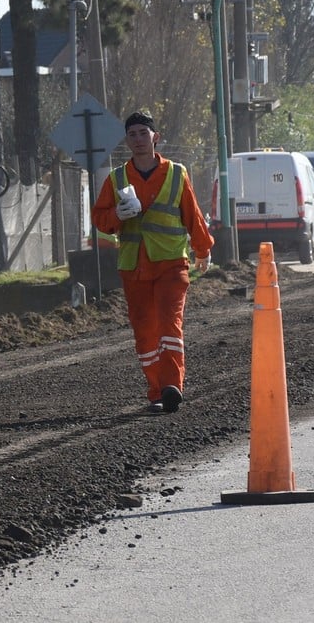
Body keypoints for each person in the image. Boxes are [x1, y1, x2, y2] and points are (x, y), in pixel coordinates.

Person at [92, 112, 213, 414]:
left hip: (172, 263)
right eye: (132, 134)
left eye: (143, 133)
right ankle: (156, 390)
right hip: (134, 266)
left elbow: (192, 214)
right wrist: (118, 216)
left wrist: (203, 249)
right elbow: (100, 220)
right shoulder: (116, 178)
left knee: (169, 323)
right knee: (145, 330)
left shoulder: (176, 173)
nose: (138, 139)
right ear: (127, 140)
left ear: (155, 137)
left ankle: (173, 385)